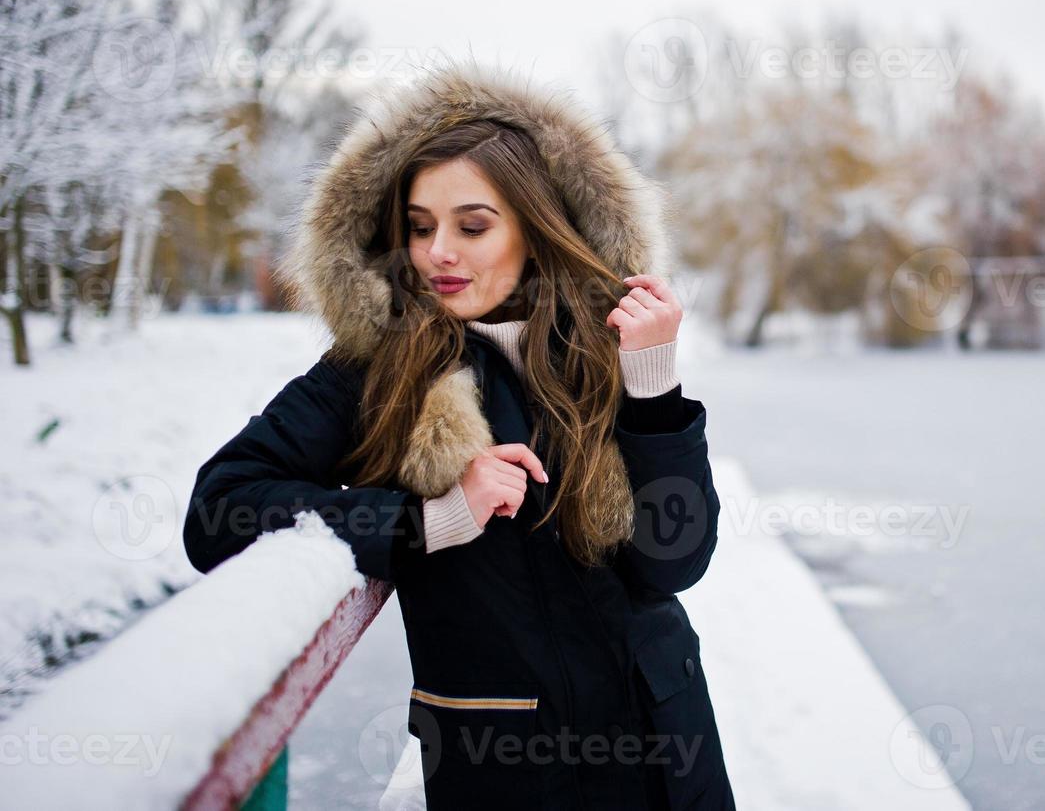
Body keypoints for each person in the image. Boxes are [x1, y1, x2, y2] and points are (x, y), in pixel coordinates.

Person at [182, 62, 737, 810]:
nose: (438, 251)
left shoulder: (602, 351)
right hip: (508, 771)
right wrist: (431, 521)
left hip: (665, 754)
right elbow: (220, 510)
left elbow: (673, 563)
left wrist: (653, 388)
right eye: (419, 227)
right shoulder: (375, 367)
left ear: (537, 230)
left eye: (472, 225)